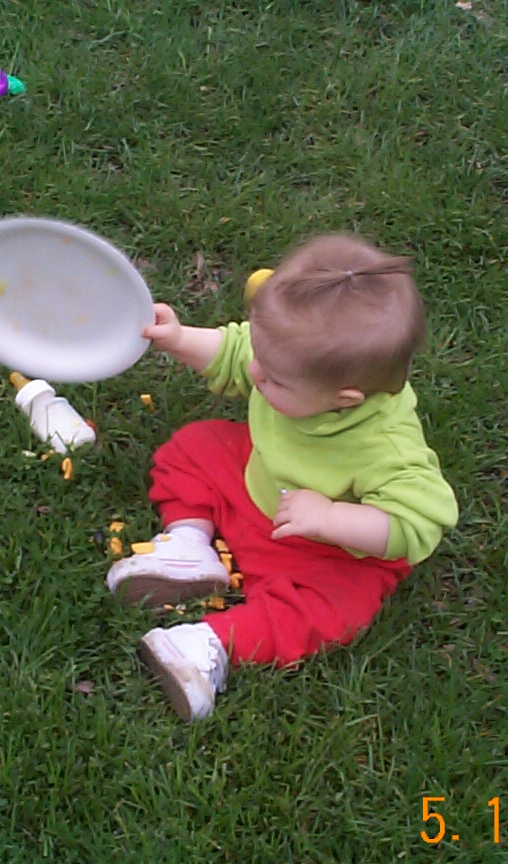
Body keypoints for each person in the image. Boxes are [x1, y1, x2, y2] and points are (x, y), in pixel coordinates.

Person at [107, 234, 458, 721]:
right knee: (198, 446)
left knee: (333, 609)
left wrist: (332, 518)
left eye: (272, 378)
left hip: (320, 551)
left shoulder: (386, 446)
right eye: (260, 357)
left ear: (344, 399)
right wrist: (181, 339)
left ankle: (208, 644)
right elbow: (235, 351)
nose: (254, 372)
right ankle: (189, 546)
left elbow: (419, 522)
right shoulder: (289, 360)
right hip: (257, 488)